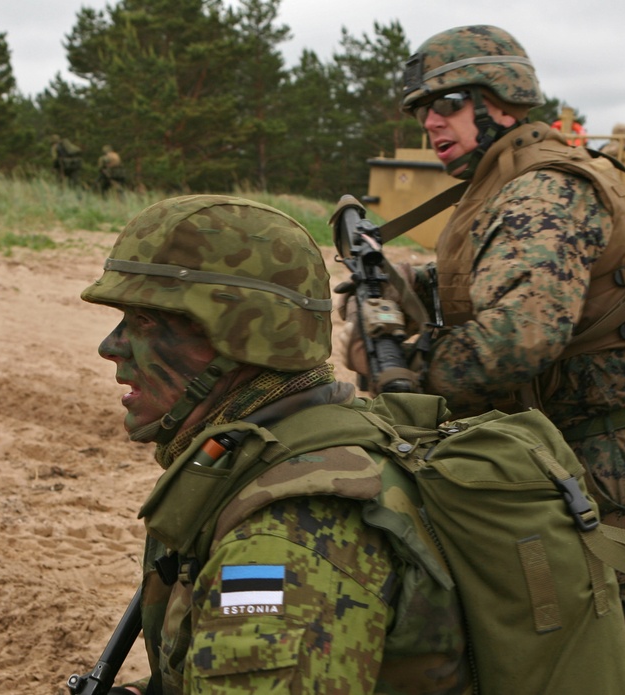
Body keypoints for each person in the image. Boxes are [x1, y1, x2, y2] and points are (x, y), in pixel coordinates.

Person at [380, 24, 625, 693]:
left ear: (499, 100)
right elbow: (496, 285)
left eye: (444, 105)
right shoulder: (508, 182)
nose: (431, 125)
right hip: (554, 447)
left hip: (598, 455)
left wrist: (407, 367)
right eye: (422, 112)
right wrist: (403, 292)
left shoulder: (542, 189)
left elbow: (519, 336)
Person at [81, 195, 470, 694]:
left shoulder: (285, 542)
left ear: (240, 339)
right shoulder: (287, 445)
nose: (110, 346)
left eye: (145, 324)